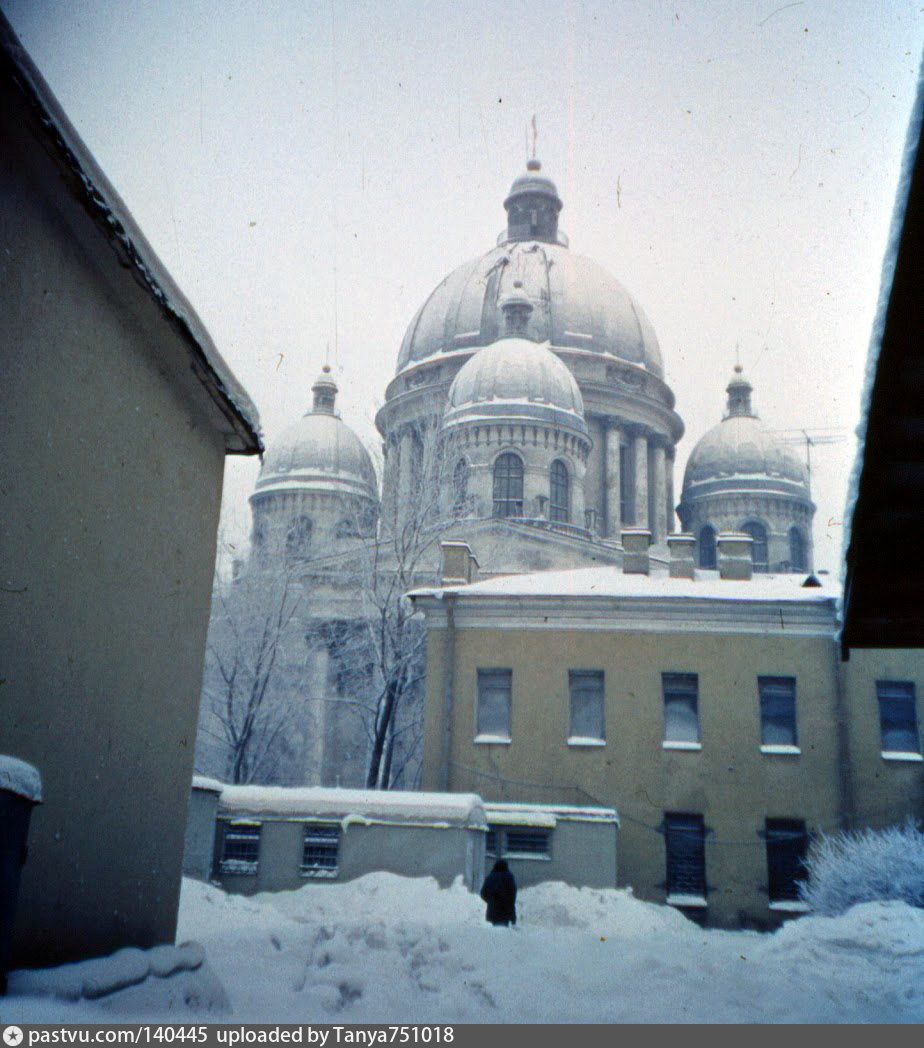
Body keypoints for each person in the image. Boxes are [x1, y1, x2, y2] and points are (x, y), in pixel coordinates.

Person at [480, 858, 517, 926]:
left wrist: (491, 900)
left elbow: (483, 893)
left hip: (493, 910)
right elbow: (512, 894)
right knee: (503, 932)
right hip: (506, 910)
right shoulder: (509, 877)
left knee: (495, 932)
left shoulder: (490, 877)